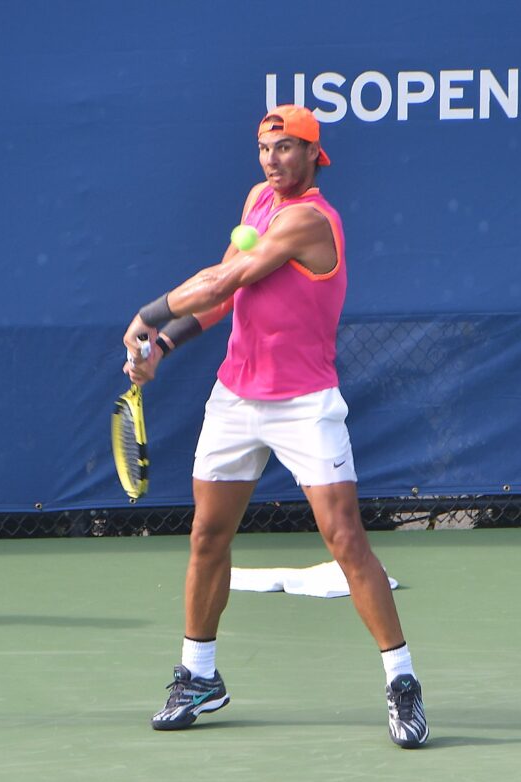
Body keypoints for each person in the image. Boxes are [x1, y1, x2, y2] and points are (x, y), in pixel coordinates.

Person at [122, 105, 429, 749]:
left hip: (304, 403)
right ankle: (199, 676)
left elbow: (223, 276)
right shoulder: (259, 200)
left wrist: (147, 316)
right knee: (207, 535)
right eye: (265, 147)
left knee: (346, 539)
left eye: (287, 148)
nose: (272, 160)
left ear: (316, 155)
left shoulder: (309, 219)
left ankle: (402, 683)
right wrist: (167, 346)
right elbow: (230, 299)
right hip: (235, 397)